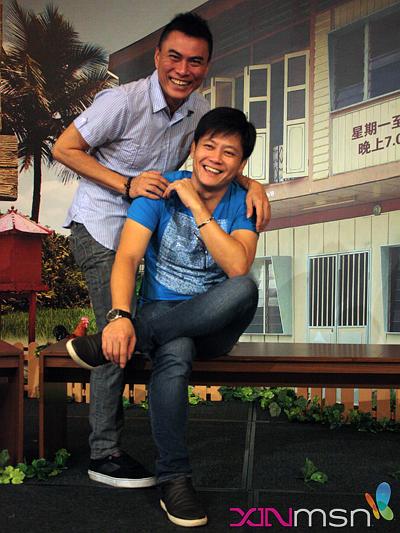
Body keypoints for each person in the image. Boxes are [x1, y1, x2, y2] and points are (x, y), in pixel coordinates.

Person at [53, 12, 270, 489]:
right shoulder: (122, 101)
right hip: (103, 222)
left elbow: (215, 156)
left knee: (133, 328)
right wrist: (126, 183)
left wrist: (252, 184)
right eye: (174, 57)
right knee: (116, 322)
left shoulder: (198, 110)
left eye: (195, 61)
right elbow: (64, 149)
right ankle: (104, 452)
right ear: (156, 57)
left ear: (206, 66)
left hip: (148, 220)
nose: (183, 69)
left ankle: (121, 345)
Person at [67, 107, 259, 527]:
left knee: (245, 287)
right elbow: (128, 256)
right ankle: (174, 479)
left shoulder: (243, 202)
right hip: (164, 312)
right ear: (193, 148)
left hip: (216, 322)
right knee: (175, 351)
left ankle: (133, 336)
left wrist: (193, 202)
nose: (215, 158)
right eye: (209, 146)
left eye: (229, 152)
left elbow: (237, 267)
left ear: (241, 164)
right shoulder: (157, 190)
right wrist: (119, 315)